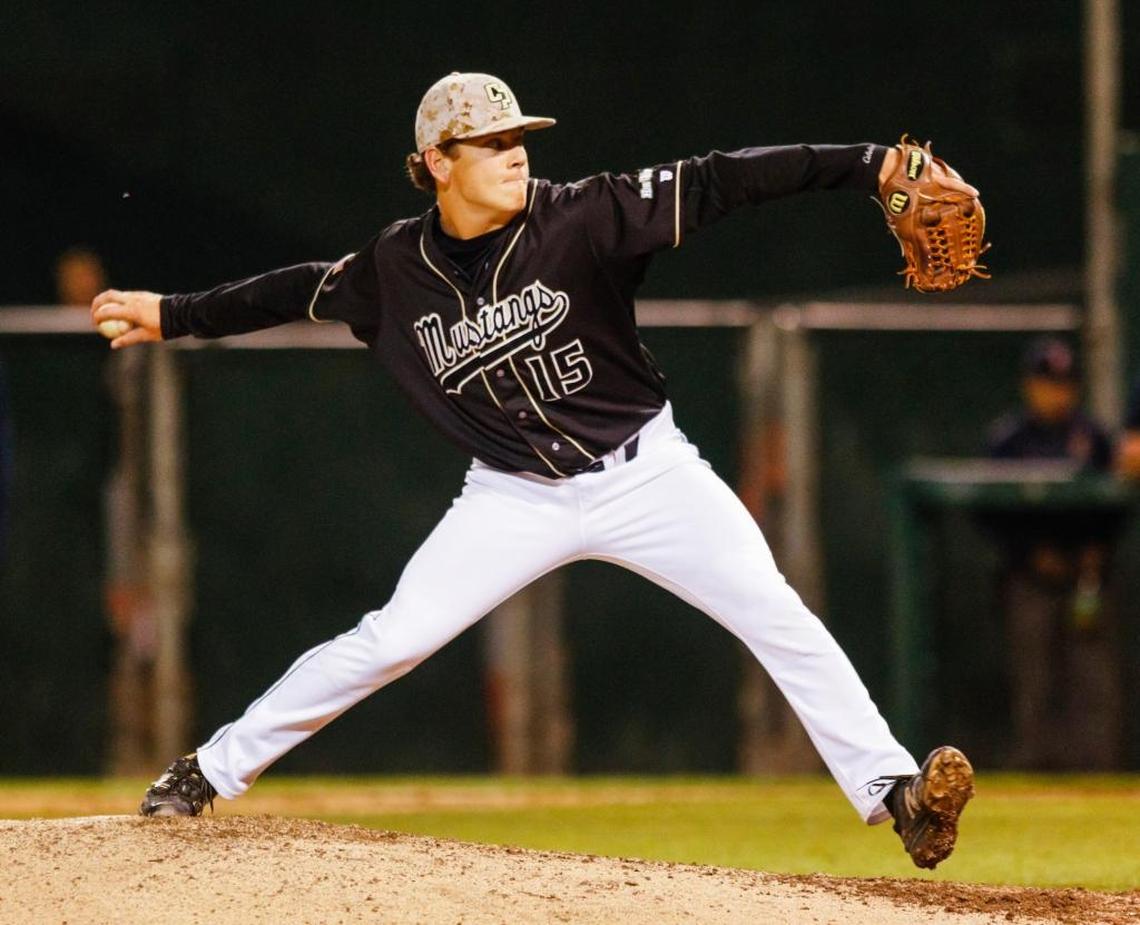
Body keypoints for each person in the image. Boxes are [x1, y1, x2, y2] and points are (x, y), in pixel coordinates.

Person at [92, 72, 976, 869]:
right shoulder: (394, 270)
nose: (518, 157)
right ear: (437, 162)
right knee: (392, 639)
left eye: (521, 141)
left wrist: (865, 162)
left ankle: (896, 794)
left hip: (648, 474)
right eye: (495, 144)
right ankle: (207, 769)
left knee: (774, 611)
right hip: (512, 495)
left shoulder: (584, 213)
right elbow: (290, 291)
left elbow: (722, 179)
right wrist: (173, 315)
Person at [985, 337, 1123, 768]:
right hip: (1031, 578)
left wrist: (1097, 551)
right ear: (1030, 386)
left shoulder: (1094, 437)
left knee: (1094, 682)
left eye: (1064, 384)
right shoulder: (1009, 440)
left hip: (1087, 578)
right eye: (1047, 383)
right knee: (1035, 681)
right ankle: (1035, 770)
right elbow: (989, 512)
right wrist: (1029, 554)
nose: (1055, 392)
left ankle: (1098, 771)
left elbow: (1116, 506)